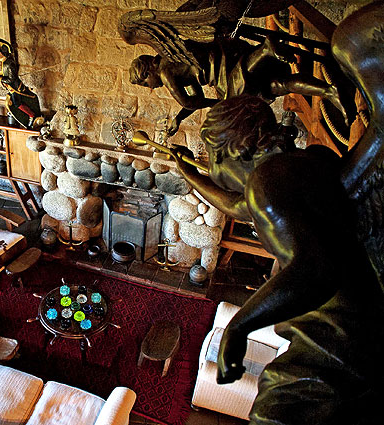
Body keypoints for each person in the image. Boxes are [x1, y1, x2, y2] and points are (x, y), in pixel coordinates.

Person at [168, 93, 383, 424]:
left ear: (236, 150)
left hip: (334, 333)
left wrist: (239, 327)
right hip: (362, 318)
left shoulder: (265, 182)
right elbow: (236, 205)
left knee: (274, 415)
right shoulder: (306, 161)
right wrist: (188, 172)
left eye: (213, 157)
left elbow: (316, 269)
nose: (212, 168)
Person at [129, 37, 347, 136]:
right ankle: (329, 91)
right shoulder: (173, 61)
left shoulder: (165, 72)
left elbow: (187, 101)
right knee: (275, 86)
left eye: (146, 84)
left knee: (235, 100)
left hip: (222, 64)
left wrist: (218, 103)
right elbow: (195, 99)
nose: (152, 87)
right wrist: (179, 118)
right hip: (223, 63)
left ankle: (265, 50)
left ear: (147, 72)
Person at [0, 37, 44, 129]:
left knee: (17, 103)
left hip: (16, 88)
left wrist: (0, 78)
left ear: (2, 51)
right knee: (15, 104)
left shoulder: (10, 63)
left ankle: (32, 115)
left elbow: (12, 79)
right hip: (10, 88)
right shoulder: (0, 62)